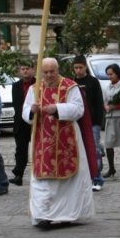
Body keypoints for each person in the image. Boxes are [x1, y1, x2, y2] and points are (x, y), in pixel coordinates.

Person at [22, 58, 98, 228]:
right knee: (42, 180)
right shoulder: (35, 89)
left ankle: (68, 214)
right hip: (42, 140)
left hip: (67, 139)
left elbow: (78, 109)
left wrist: (57, 109)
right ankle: (43, 215)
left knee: (69, 181)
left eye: (52, 71)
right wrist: (31, 111)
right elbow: (25, 112)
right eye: (46, 72)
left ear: (58, 70)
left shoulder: (70, 86)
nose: (49, 75)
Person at [73, 55, 105, 191]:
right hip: (77, 122)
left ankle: (97, 178)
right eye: (76, 68)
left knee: (95, 149)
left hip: (92, 122)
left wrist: (98, 122)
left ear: (85, 67)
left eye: (80, 67)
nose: (78, 70)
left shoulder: (93, 82)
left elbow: (99, 103)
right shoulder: (71, 82)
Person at [9, 60, 36, 186]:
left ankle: (38, 173)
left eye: (27, 68)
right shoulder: (16, 86)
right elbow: (17, 105)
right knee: (21, 150)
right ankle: (18, 174)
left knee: (37, 148)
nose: (25, 71)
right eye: (23, 69)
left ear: (33, 69)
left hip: (36, 121)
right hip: (21, 121)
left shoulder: (38, 83)